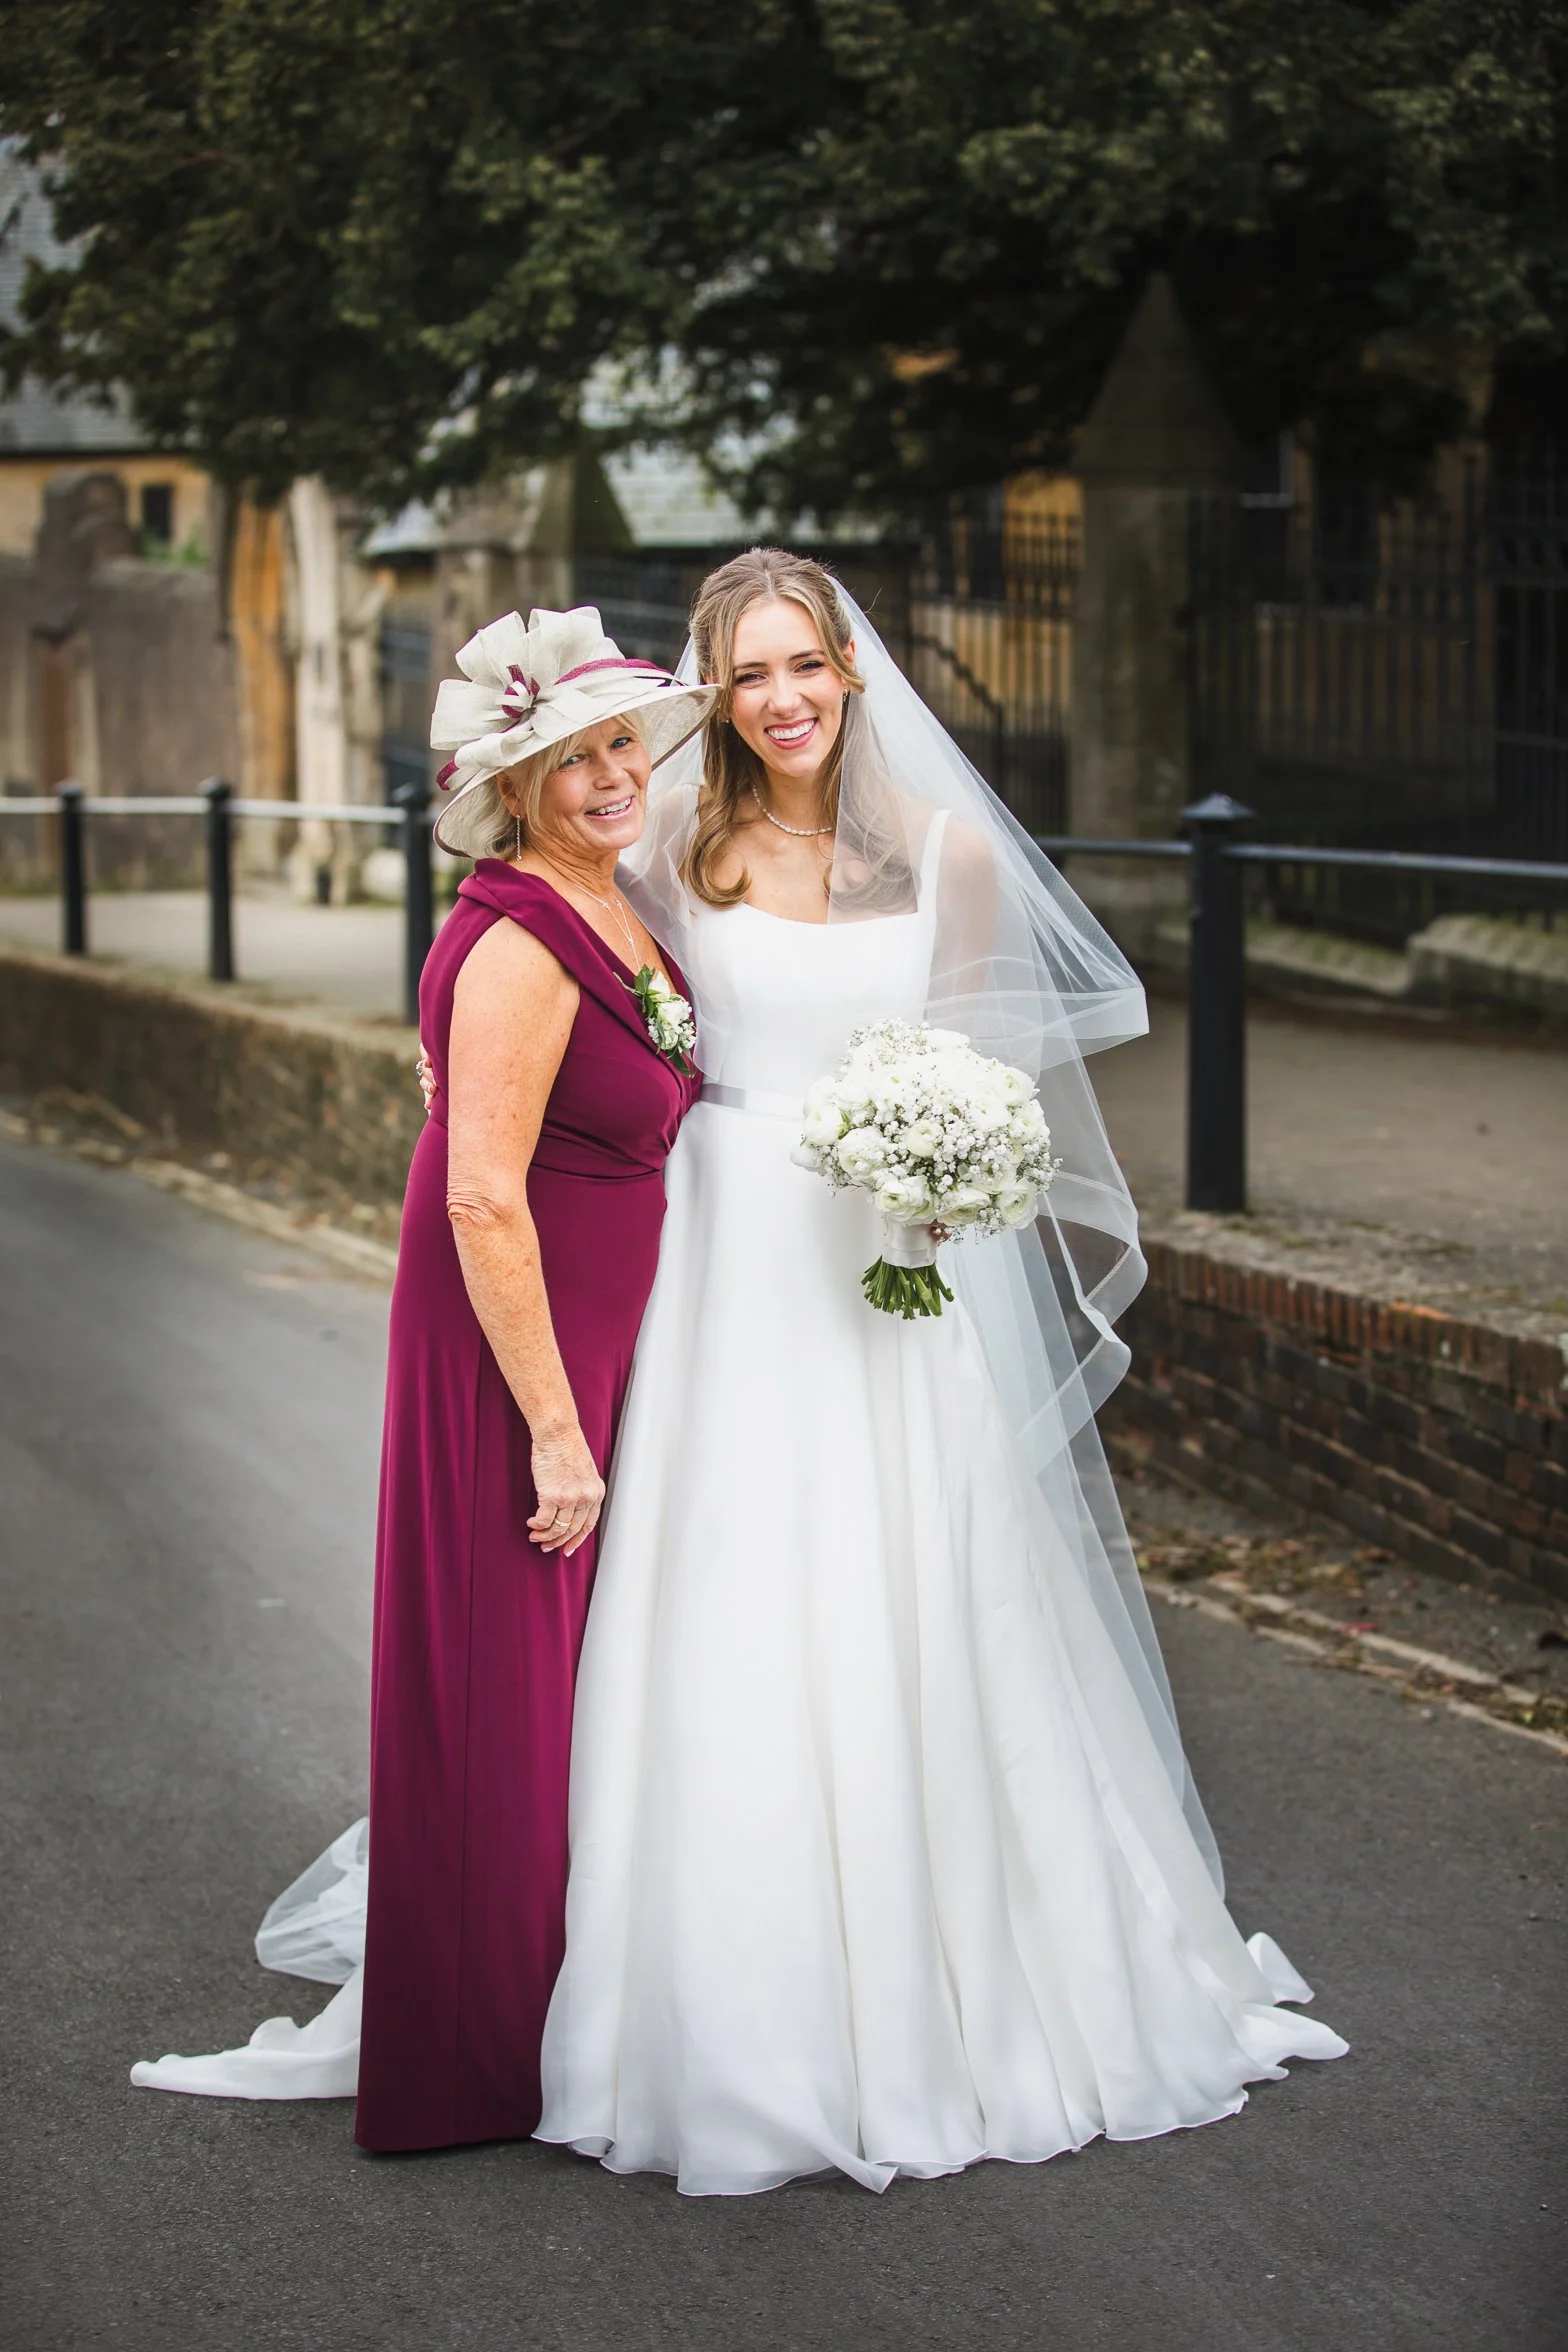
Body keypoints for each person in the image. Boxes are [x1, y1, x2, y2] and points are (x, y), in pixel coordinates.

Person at [533, 548, 1348, 2195]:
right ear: (715, 692)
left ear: (849, 671)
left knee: (924, 1591)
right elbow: (604, 1024)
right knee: (733, 1593)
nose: (779, 700)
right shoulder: (679, 861)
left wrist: (951, 1161)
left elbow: (990, 1078)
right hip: (731, 1266)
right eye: (747, 673)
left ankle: (969, 1977)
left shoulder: (954, 858)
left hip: (896, 1283)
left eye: (803, 666)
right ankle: (710, 1980)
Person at [131, 607, 714, 2149]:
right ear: (508, 785)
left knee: (560, 1693)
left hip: (580, 1345)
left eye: (615, 747)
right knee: (501, 1694)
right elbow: (480, 1197)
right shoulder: (523, 931)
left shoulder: (603, 903)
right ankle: (465, 2059)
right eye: (567, 757)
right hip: (513, 1364)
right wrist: (555, 1431)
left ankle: (538, 2010)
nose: (605, 777)